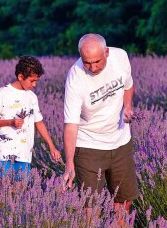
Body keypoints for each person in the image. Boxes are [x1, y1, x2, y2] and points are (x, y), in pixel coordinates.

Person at [62, 34, 139, 224]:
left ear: (106, 52)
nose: (93, 68)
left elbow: (128, 86)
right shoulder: (75, 78)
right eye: (87, 63)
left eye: (97, 61)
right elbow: (71, 125)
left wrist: (127, 107)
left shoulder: (120, 57)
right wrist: (69, 164)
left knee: (123, 202)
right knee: (91, 208)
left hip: (120, 141)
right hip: (89, 145)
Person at [0, 56, 61, 180]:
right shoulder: (3, 93)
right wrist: (10, 122)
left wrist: (51, 146)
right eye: (32, 81)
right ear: (21, 77)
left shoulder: (32, 97)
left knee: (21, 191)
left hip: (24, 153)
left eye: (36, 81)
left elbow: (39, 123)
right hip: (4, 153)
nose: (34, 85)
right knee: (3, 189)